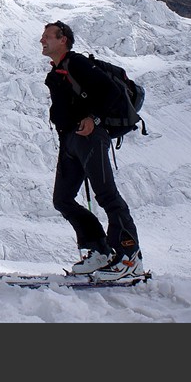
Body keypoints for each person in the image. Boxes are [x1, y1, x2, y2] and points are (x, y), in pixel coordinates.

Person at [40, 20, 144, 280]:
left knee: (107, 195)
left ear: (62, 39)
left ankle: (129, 256)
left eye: (47, 36)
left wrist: (94, 118)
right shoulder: (55, 74)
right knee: (61, 199)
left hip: (90, 137)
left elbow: (110, 92)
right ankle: (101, 250)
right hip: (70, 141)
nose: (42, 41)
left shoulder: (78, 63)